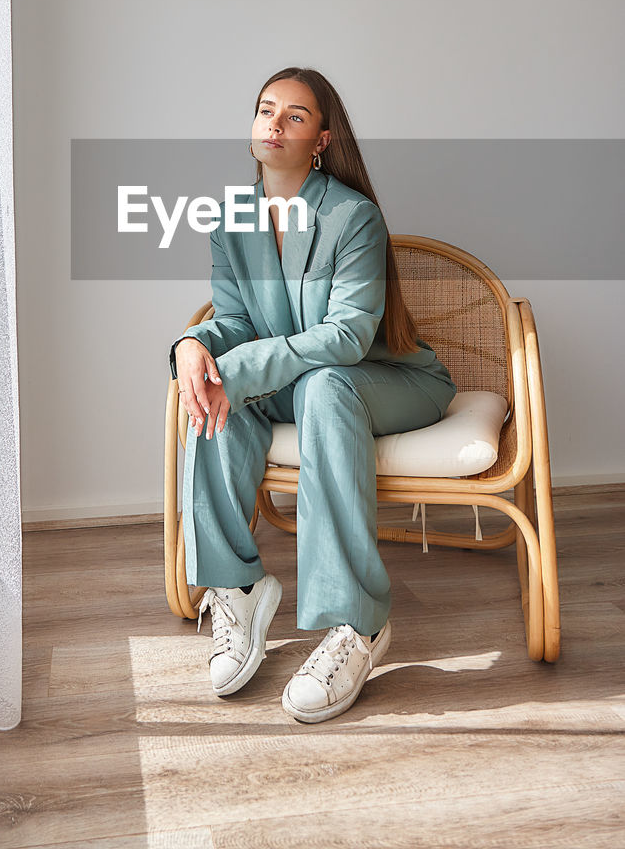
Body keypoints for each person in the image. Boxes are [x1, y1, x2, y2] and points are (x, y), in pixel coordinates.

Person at [170, 66, 458, 724]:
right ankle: (236, 588)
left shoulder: (350, 216)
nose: (273, 124)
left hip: (391, 382)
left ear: (320, 138)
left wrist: (238, 367)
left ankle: (356, 625)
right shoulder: (231, 219)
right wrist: (193, 347)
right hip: (300, 384)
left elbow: (347, 336)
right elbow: (236, 321)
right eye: (264, 110)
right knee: (210, 387)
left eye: (293, 116)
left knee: (323, 386)